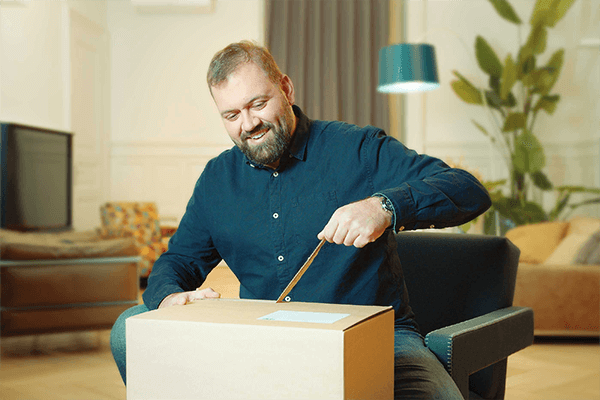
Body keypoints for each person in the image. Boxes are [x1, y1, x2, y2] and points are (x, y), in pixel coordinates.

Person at [110, 40, 491, 399]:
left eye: (257, 104)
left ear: (287, 90)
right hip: (266, 341)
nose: (248, 124)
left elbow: (467, 189)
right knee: (129, 329)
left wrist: (383, 207)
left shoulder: (357, 148)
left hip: (380, 340)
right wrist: (170, 297)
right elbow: (177, 261)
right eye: (231, 114)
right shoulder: (216, 180)